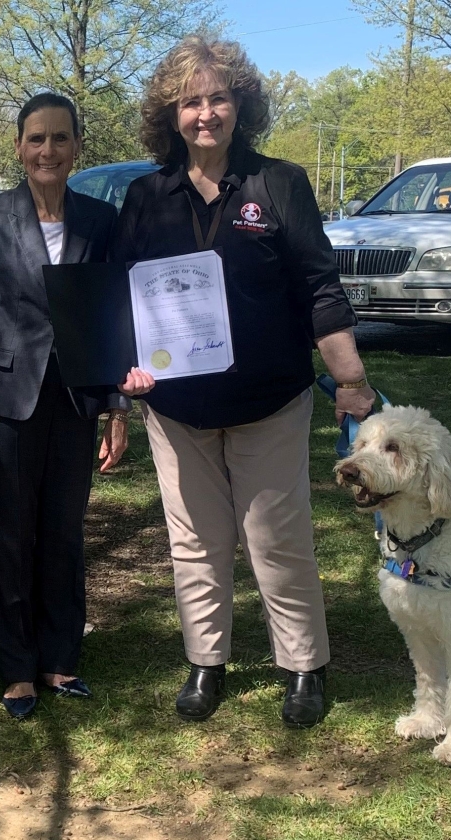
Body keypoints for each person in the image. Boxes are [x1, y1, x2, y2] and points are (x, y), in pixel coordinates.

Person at [114, 37, 377, 728]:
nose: (206, 113)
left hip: (269, 398)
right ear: (170, 114)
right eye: (191, 101)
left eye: (218, 98)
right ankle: (206, 662)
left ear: (241, 106)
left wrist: (348, 378)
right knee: (194, 540)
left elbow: (320, 288)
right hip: (176, 408)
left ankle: (302, 666)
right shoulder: (144, 196)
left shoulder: (280, 183)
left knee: (276, 537)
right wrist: (127, 369)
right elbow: (124, 300)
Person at [0, 92, 138, 719]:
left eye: (60, 139)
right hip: (7, 399)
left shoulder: (100, 221)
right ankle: (15, 668)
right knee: (9, 531)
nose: (48, 151)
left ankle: (60, 659)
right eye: (37, 139)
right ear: (19, 147)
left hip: (77, 398)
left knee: (63, 530)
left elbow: (111, 318)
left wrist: (117, 408)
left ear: (77, 147)